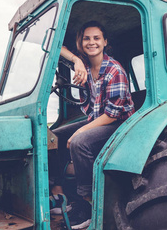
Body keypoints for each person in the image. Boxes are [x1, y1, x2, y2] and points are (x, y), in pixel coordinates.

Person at [52, 21, 134, 229]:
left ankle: (88, 204)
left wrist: (81, 130)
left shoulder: (115, 70)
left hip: (120, 124)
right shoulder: (85, 67)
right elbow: (57, 48)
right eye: (86, 38)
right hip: (96, 121)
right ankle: (63, 195)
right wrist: (76, 61)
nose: (92, 42)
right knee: (53, 137)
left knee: (80, 142)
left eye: (96, 38)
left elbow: (112, 114)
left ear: (105, 42)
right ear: (81, 42)